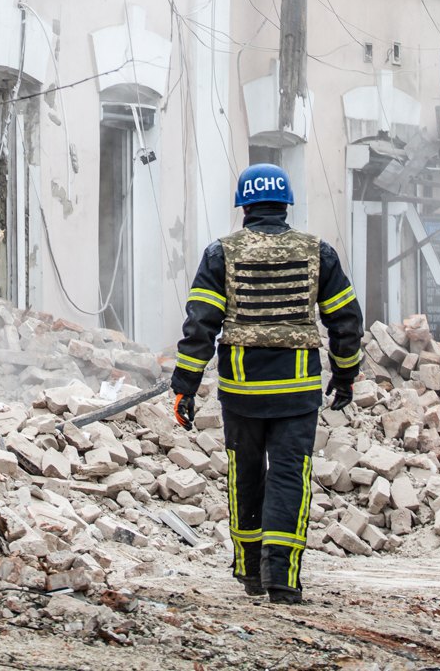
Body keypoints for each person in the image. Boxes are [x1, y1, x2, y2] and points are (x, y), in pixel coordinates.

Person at [169, 163, 365, 603]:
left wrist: (185, 385)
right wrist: (346, 373)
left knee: (246, 472)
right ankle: (282, 578)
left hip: (240, 387)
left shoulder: (221, 254)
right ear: (285, 204)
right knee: (289, 477)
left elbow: (200, 325)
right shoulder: (319, 253)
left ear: (244, 207)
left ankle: (249, 571)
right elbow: (346, 320)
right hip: (296, 389)